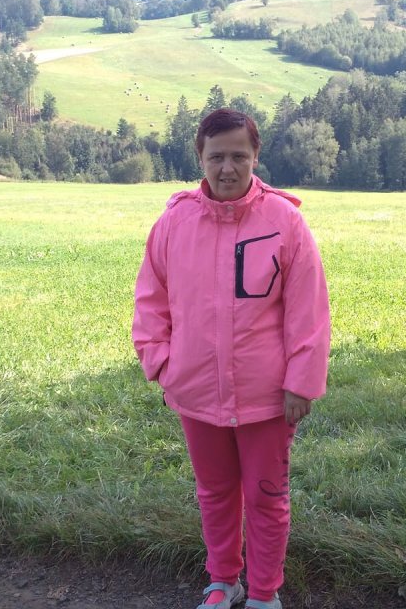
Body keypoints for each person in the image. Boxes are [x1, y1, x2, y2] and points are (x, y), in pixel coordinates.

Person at [132, 108, 330, 609]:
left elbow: (308, 309)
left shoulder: (285, 221)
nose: (227, 168)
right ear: (199, 157)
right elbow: (151, 300)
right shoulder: (173, 223)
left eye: (238, 156)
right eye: (216, 156)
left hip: (268, 399)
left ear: (255, 156)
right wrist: (163, 365)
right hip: (196, 392)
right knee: (215, 493)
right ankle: (224, 581)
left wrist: (301, 382)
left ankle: (263, 592)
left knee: (266, 496)